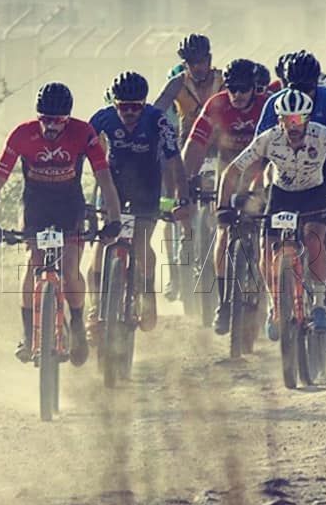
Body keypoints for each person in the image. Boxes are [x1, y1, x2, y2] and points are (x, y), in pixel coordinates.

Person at [0, 82, 122, 366]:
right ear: (37, 116)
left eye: (57, 121)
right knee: (33, 262)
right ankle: (28, 334)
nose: (50, 126)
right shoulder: (22, 134)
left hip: (69, 206)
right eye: (45, 119)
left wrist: (114, 219)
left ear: (67, 118)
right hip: (36, 205)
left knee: (70, 269)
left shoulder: (83, 133)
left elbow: (104, 179)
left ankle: (78, 326)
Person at [217, 90, 326, 337]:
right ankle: (277, 306)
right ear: (279, 120)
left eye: (299, 119)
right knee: (267, 250)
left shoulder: (323, 135)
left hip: (312, 193)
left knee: (314, 239)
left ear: (307, 119)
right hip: (281, 195)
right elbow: (231, 171)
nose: (294, 125)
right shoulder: (268, 139)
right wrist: (222, 207)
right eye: (288, 119)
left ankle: (318, 304)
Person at [256, 50, 326, 343]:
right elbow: (261, 152)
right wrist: (255, 192)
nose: (301, 92)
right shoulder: (274, 103)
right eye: (294, 86)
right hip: (286, 177)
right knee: (267, 245)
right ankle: (277, 305)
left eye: (307, 87)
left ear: (316, 83)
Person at [88, 71, 191, 334]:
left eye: (136, 106)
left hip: (147, 187)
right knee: (104, 243)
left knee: (142, 241)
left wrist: (181, 198)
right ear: (115, 104)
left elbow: (174, 161)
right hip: (114, 187)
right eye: (124, 106)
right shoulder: (102, 119)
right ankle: (94, 309)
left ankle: (146, 293)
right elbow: (82, 153)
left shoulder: (157, 120)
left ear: (144, 103)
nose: (130, 112)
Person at [181, 59, 268, 335]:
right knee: (224, 230)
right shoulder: (216, 104)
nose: (237, 95)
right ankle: (224, 303)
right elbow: (195, 145)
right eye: (232, 88)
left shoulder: (267, 105)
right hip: (228, 169)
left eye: (243, 89)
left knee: (266, 226)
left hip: (262, 169)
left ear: (253, 88)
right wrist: (186, 181)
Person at [153, 34, 224, 301]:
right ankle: (179, 258)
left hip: (221, 148)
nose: (197, 67)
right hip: (189, 148)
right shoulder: (177, 84)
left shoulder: (224, 80)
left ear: (210, 59)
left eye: (201, 60)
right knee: (174, 204)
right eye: (191, 62)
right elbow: (156, 110)